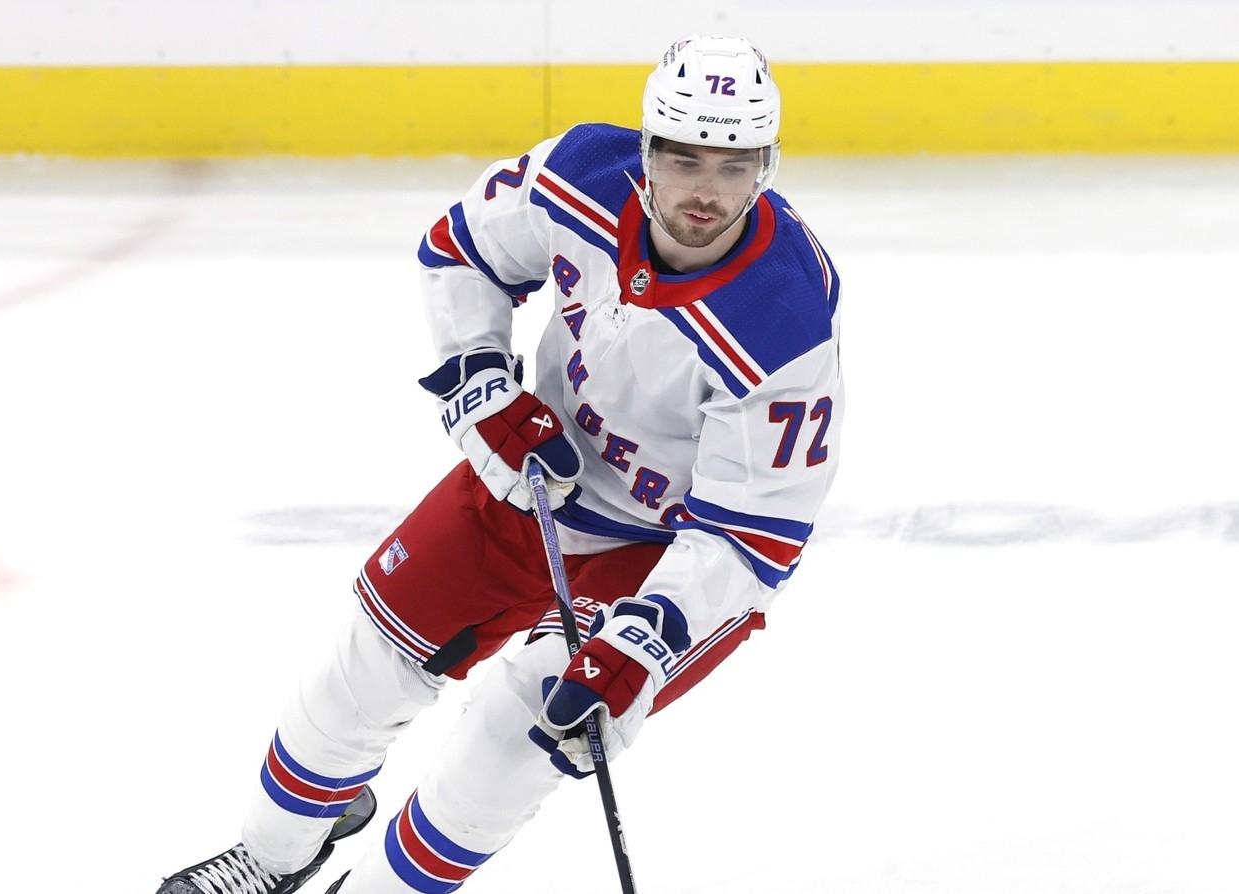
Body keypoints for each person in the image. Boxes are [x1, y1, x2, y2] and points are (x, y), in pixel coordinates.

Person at [156, 33, 843, 894]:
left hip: (663, 554)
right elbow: (463, 250)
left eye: (733, 166)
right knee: (364, 670)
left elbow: (752, 536)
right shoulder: (580, 174)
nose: (705, 191)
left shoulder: (781, 320)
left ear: (767, 167)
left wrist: (642, 642)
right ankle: (268, 857)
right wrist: (484, 384)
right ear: (645, 150)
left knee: (512, 735)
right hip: (536, 477)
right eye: (683, 158)